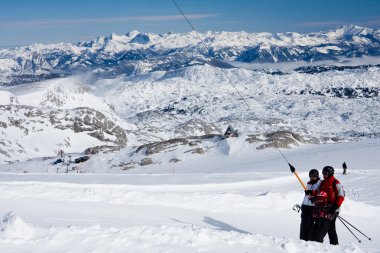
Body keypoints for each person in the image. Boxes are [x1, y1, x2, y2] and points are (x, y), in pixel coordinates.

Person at [312, 166, 345, 245]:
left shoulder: (336, 183)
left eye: (325, 174)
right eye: (323, 173)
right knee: (329, 228)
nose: (324, 175)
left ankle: (321, 243)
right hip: (324, 208)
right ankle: (332, 246)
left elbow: (341, 196)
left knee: (328, 227)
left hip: (333, 209)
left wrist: (335, 207)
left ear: (330, 174)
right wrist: (314, 197)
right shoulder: (323, 183)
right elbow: (318, 193)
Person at [300, 169, 321, 241]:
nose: (312, 177)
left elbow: (320, 194)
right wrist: (303, 204)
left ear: (317, 176)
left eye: (314, 176)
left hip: (313, 207)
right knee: (303, 224)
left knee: (310, 224)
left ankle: (309, 240)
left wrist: (314, 197)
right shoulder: (308, 184)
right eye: (311, 176)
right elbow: (305, 196)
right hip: (305, 206)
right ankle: (302, 239)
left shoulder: (319, 184)